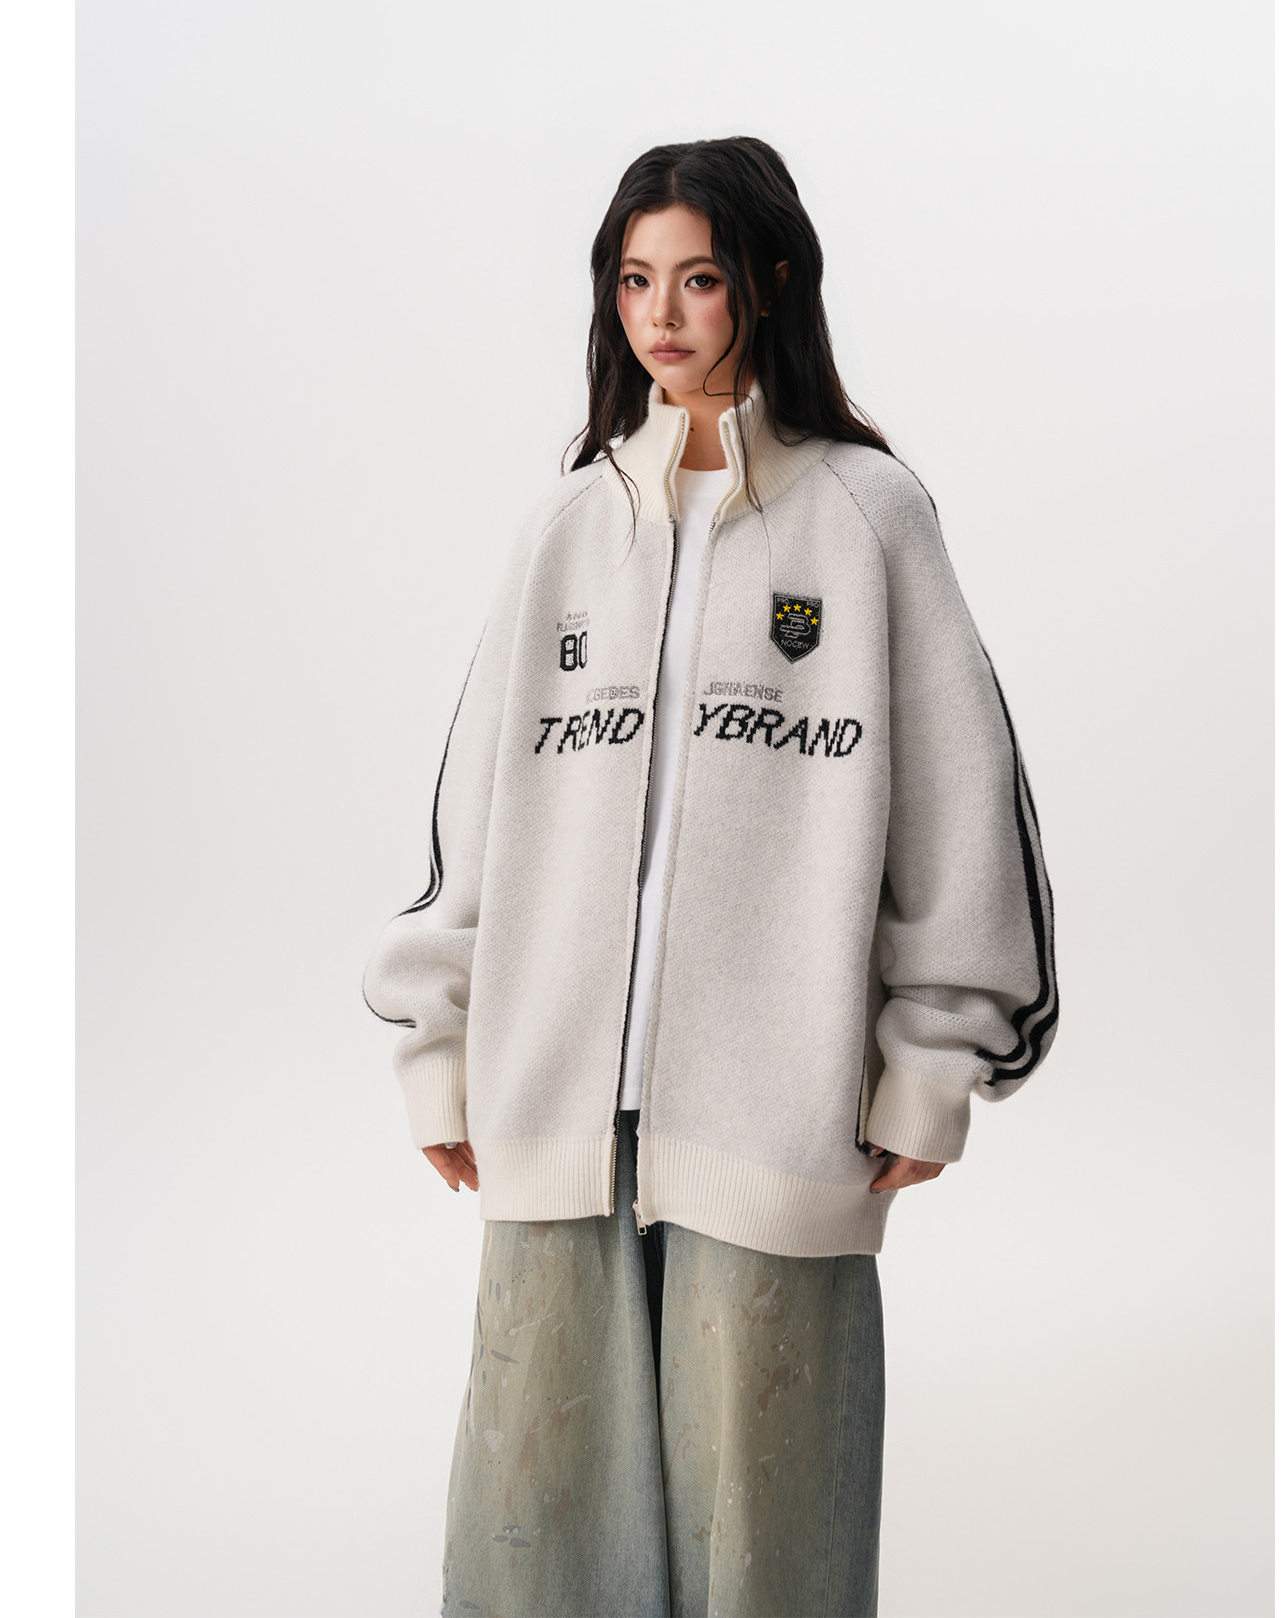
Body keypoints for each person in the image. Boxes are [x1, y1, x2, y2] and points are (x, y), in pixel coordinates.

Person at [362, 135, 1059, 1618]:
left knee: (768, 1544)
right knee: (537, 1537)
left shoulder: (868, 517)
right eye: (634, 282)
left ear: (769, 283)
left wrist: (931, 1067)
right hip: (555, 1112)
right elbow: (475, 813)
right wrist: (438, 1047)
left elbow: (958, 817)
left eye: (696, 279)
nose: (661, 317)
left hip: (777, 1113)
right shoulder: (568, 526)